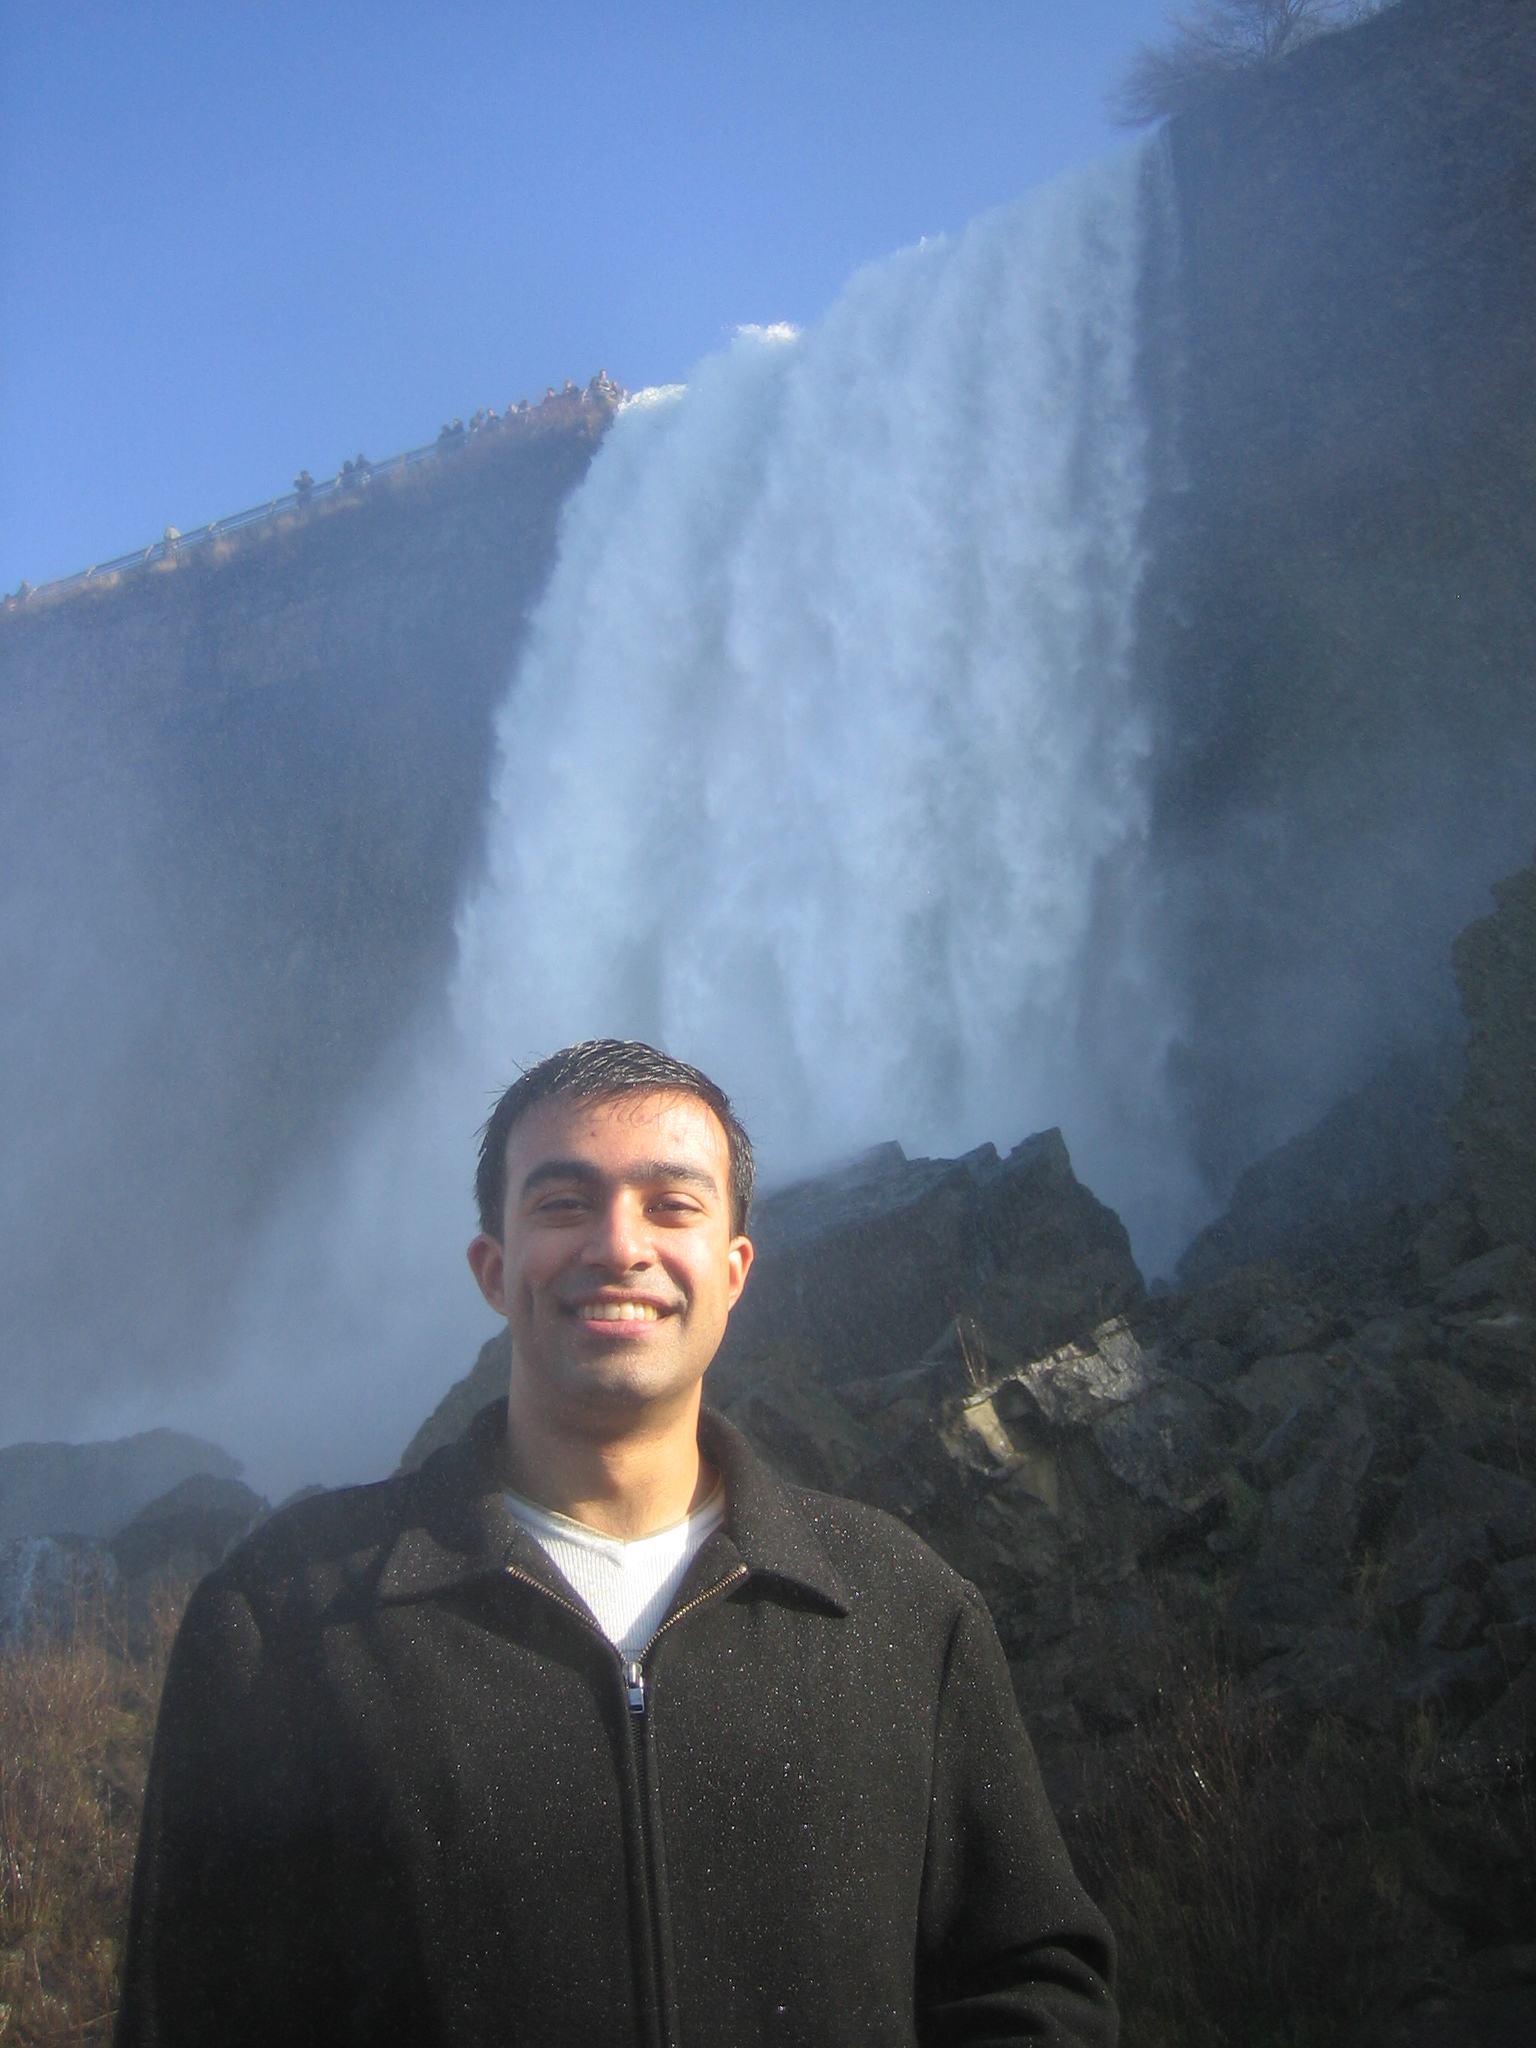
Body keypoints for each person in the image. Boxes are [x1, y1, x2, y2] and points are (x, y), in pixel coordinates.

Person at [116, 1040, 1117, 2047]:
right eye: (563, 1203)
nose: (619, 1245)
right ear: (492, 1268)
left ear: (734, 1271)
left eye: (671, 1204)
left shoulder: (905, 1611)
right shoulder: (286, 1623)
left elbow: (1032, 1980)